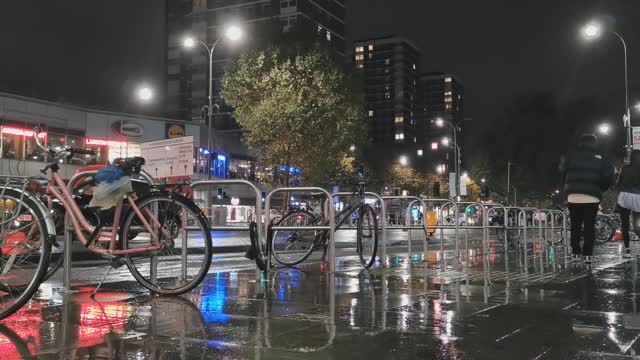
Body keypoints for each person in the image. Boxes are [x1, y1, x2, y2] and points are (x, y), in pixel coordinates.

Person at [561, 134, 614, 264]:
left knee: (575, 226)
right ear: (594, 144)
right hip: (591, 197)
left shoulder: (571, 158)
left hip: (573, 196)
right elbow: (608, 175)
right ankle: (588, 255)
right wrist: (600, 189)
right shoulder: (599, 160)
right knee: (589, 227)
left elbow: (563, 172)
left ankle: (575, 253)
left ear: (581, 143)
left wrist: (569, 188)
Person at [616, 150, 640, 258]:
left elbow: (619, 183)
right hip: (637, 197)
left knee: (624, 225)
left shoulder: (625, 168)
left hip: (624, 196)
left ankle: (627, 250)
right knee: (637, 225)